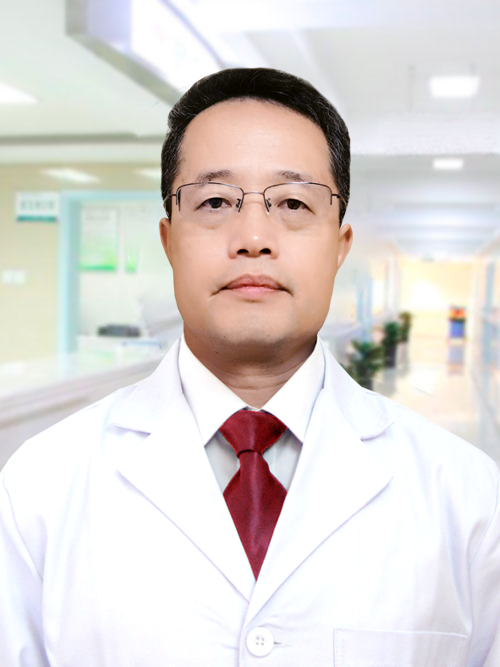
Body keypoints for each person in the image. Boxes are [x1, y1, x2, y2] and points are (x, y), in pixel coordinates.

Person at [0, 67, 499, 667]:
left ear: (339, 246)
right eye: (215, 201)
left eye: (293, 202)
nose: (254, 237)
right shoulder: (39, 489)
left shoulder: (468, 498)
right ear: (169, 241)